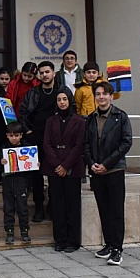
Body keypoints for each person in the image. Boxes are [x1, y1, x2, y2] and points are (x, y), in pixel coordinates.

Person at [84, 82, 132, 266]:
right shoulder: (90, 118)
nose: (101, 97)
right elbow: (86, 145)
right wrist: (92, 164)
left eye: (105, 94)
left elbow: (126, 142)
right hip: (97, 171)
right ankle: (109, 244)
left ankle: (117, 249)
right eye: (98, 94)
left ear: (111, 96)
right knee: (103, 209)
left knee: (116, 210)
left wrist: (106, 164)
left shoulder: (121, 116)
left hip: (114, 169)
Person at [18, 61, 69, 223]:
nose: (44, 75)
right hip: (36, 136)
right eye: (41, 72)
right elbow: (23, 112)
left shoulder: (63, 91)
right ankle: (38, 207)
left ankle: (53, 206)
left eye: (47, 72)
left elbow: (71, 111)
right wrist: (27, 131)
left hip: (56, 139)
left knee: (55, 173)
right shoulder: (33, 92)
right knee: (36, 175)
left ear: (54, 73)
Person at [43, 88, 86, 252]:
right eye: (59, 99)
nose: (62, 102)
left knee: (72, 205)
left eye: (65, 99)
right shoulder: (50, 121)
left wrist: (66, 165)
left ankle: (73, 241)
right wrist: (57, 165)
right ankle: (60, 240)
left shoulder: (79, 121)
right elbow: (46, 144)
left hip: (73, 167)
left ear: (70, 101)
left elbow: (79, 145)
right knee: (58, 205)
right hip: (54, 167)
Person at [0, 121, 31, 245]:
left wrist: (35, 164)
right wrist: (1, 162)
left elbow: (31, 166)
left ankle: (24, 231)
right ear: (7, 135)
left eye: (16, 135)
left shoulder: (26, 148)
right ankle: (9, 231)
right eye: (11, 135)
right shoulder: (3, 148)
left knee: (22, 208)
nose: (14, 138)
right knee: (8, 207)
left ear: (21, 135)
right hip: (7, 182)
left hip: (21, 182)